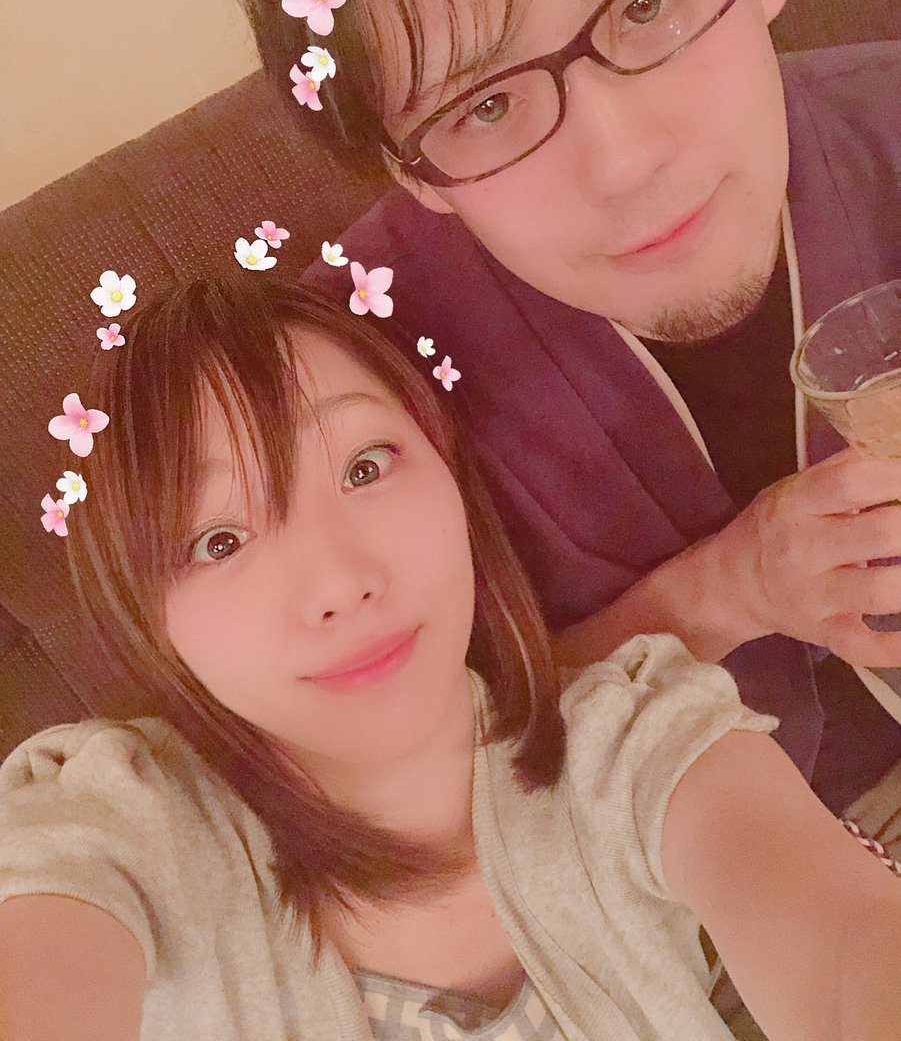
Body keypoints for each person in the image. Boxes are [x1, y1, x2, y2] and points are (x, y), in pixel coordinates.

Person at [0, 276, 899, 1041]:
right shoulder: (121, 826)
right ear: (151, 621)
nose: (338, 583)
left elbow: (843, 953)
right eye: (219, 541)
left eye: (364, 468)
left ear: (451, 475)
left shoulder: (629, 738)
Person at [223, 0, 901, 838]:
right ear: (407, 170)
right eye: (485, 105)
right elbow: (383, 768)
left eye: (645, 2)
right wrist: (725, 589)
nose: (623, 163)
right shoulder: (341, 380)